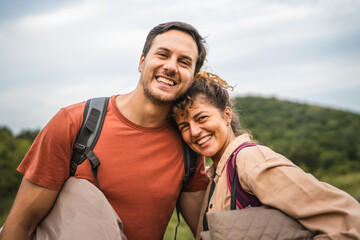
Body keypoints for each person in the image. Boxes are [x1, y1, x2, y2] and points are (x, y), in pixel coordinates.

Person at [0, 21, 209, 240]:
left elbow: (206, 230)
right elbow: (21, 225)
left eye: (184, 62)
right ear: (142, 62)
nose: (171, 67)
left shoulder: (188, 143)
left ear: (193, 76)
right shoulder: (73, 123)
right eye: (163, 54)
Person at [171, 71, 360, 239]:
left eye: (202, 118)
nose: (195, 131)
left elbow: (348, 219)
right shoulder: (215, 175)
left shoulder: (250, 160)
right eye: (184, 126)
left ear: (227, 115)